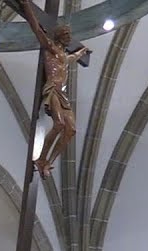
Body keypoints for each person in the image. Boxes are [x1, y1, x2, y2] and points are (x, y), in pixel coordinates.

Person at [20, 0, 90, 176]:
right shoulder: (50, 48)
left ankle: (48, 162)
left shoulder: (64, 56)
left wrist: (82, 52)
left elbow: (73, 57)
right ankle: (41, 157)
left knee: (71, 129)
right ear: (59, 35)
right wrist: (26, 6)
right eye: (66, 34)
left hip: (62, 92)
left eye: (69, 34)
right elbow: (36, 27)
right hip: (52, 88)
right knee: (58, 124)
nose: (68, 37)